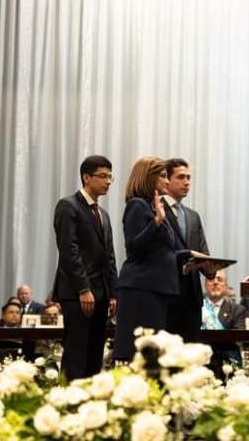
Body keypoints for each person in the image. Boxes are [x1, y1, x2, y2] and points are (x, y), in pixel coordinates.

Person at [113, 157, 188, 361]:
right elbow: (133, 246)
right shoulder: (137, 205)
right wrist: (156, 222)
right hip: (141, 289)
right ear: (149, 178)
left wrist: (190, 257)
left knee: (154, 354)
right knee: (140, 354)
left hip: (156, 288)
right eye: (162, 176)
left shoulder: (153, 206)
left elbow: (161, 251)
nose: (166, 181)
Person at [53, 155, 118, 380]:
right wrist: (83, 289)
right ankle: (68, 405)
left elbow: (109, 256)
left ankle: (91, 405)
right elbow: (69, 252)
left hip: (101, 293)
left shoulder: (103, 214)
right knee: (76, 354)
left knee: (94, 354)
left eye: (110, 177)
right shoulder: (68, 206)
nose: (108, 181)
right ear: (86, 177)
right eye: (102, 176)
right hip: (77, 292)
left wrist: (113, 293)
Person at [162, 158, 210, 343]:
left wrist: (211, 269)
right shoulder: (154, 209)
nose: (187, 182)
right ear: (167, 179)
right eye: (181, 177)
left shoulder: (193, 216)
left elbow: (203, 251)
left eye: (189, 178)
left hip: (191, 298)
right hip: (166, 295)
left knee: (188, 360)